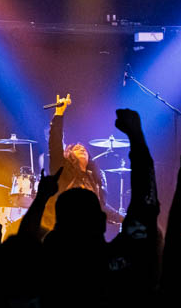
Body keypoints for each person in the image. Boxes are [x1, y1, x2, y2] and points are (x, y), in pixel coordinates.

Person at [43, 94, 123, 229]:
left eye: (83, 149)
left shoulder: (93, 178)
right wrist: (59, 114)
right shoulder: (61, 169)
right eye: (76, 148)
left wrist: (123, 218)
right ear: (69, 155)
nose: (81, 148)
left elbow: (102, 207)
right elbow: (55, 144)